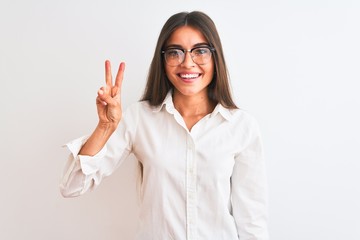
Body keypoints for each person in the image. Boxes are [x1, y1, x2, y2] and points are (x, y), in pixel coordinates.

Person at [60, 11, 269, 240]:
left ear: (215, 56)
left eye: (200, 51)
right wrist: (105, 127)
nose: (187, 63)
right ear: (163, 59)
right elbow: (72, 186)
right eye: (175, 52)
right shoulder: (139, 118)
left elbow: (252, 221)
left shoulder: (241, 126)